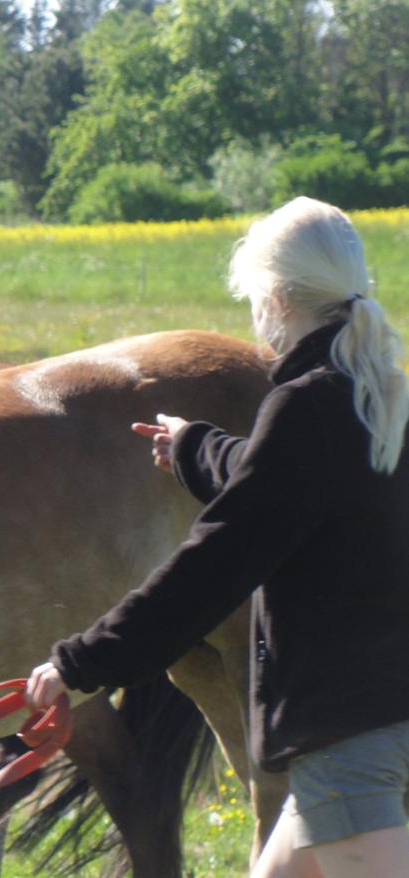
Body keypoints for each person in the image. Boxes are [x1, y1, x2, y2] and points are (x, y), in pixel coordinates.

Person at [26, 196, 409, 878]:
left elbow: (215, 565)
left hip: (350, 740)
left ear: (279, 299)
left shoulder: (304, 406)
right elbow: (284, 485)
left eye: (254, 298)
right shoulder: (376, 394)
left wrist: (79, 664)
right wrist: (194, 447)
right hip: (370, 728)